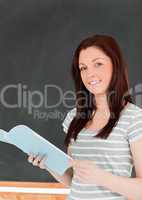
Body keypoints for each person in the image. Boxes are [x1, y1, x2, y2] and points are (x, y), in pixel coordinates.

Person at [27, 34, 142, 200]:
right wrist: (48, 165)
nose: (90, 74)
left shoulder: (134, 118)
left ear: (115, 65)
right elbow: (75, 181)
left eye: (98, 64)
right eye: (83, 68)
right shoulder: (74, 117)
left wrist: (101, 177)